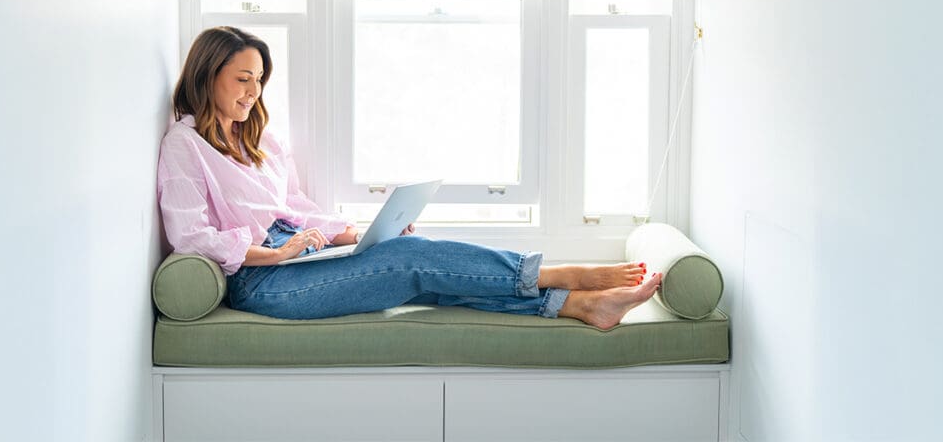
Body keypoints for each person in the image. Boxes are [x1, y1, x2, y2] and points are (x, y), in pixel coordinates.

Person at [157, 26, 662, 330]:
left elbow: (296, 207)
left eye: (259, 80)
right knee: (411, 262)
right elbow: (189, 237)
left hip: (298, 253)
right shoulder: (186, 144)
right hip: (261, 279)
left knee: (424, 277)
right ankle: (557, 274)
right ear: (208, 74)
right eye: (243, 78)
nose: (253, 91)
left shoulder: (260, 141)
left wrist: (352, 234)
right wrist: (273, 253)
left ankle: (577, 307)